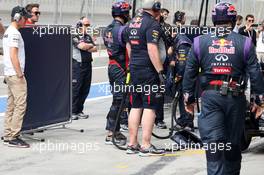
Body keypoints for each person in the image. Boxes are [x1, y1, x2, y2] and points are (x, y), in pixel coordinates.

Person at [183, 2, 264, 174]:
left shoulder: (199, 42)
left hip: (210, 99)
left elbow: (189, 73)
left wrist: (188, 99)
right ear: (234, 20)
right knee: (233, 144)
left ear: (214, 20)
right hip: (235, 99)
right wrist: (259, 100)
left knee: (214, 144)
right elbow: (255, 73)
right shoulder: (246, 43)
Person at [126, 0, 165, 156]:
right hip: (148, 71)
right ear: (155, 9)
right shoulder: (152, 24)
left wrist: (133, 63)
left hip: (134, 69)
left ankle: (132, 143)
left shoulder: (132, 22)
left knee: (136, 106)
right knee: (150, 107)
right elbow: (152, 48)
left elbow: (128, 45)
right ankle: (146, 145)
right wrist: (160, 71)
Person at [2, 6, 32, 148]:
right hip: (15, 74)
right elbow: (14, 54)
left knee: (11, 105)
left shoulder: (8, 32)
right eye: (25, 18)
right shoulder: (14, 33)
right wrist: (20, 73)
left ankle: (8, 134)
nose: (26, 20)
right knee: (20, 105)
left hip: (9, 73)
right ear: (17, 18)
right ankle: (13, 136)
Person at [103, 0, 131, 145]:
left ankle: (113, 129)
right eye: (127, 12)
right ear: (124, 13)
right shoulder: (123, 30)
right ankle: (111, 132)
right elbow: (129, 51)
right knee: (120, 100)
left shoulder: (107, 28)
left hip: (112, 66)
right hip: (121, 68)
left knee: (118, 99)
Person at [169, 11, 194, 130]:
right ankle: (184, 119)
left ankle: (187, 121)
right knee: (181, 97)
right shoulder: (178, 37)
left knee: (185, 96)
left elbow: (183, 61)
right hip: (183, 73)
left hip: (185, 74)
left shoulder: (182, 40)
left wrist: (178, 75)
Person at [72, 17, 97, 120]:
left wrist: (88, 46)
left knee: (85, 89)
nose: (88, 27)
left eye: (88, 25)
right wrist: (89, 46)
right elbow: (81, 46)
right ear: (79, 25)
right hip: (78, 65)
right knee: (76, 89)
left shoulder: (87, 36)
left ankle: (79, 110)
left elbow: (95, 49)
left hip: (88, 65)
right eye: (86, 25)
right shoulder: (74, 35)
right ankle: (72, 111)